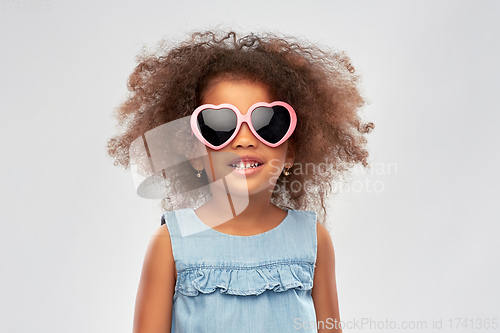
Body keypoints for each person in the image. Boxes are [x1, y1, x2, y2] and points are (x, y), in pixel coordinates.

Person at [106, 30, 374, 333]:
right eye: (220, 126)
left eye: (266, 125)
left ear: (291, 151)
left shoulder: (314, 241)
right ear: (194, 152)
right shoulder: (171, 244)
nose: (245, 140)